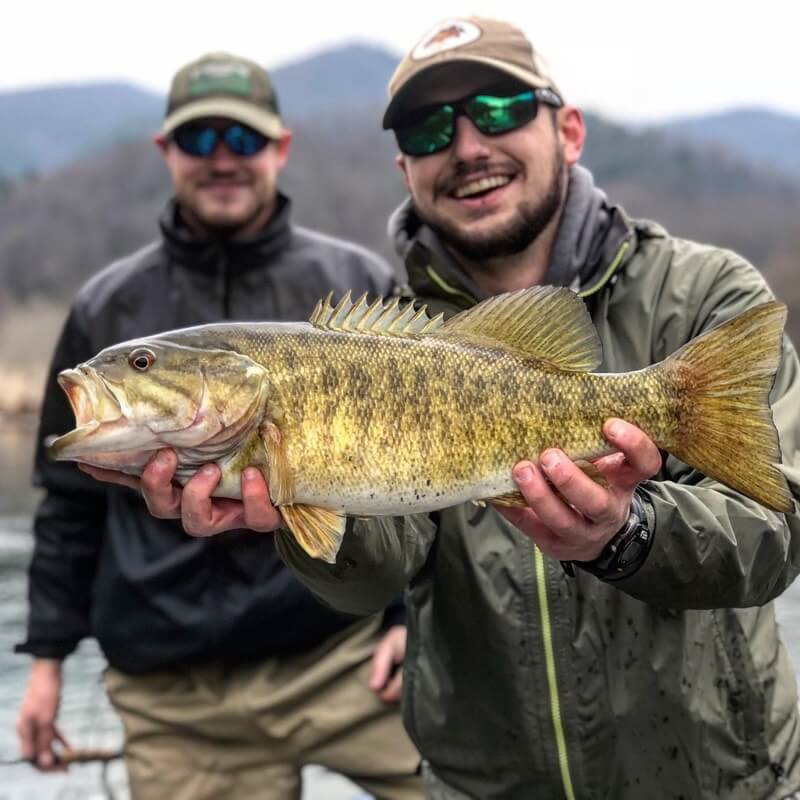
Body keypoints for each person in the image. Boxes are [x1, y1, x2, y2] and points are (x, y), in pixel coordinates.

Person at [90, 19, 800, 800]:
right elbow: (376, 571)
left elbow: (779, 528)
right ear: (405, 166)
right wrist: (307, 521)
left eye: (497, 109)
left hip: (718, 778)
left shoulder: (705, 295)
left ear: (567, 129)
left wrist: (630, 534)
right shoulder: (389, 326)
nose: (466, 145)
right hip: (485, 783)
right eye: (430, 128)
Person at [15, 51, 423, 800]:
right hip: (175, 695)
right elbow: (66, 505)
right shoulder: (106, 308)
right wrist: (44, 662)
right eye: (200, 141)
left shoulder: (356, 284)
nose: (223, 159)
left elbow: (417, 470)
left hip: (342, 659)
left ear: (282, 146)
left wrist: (404, 617)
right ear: (166, 152)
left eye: (243, 138)